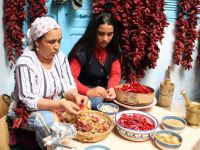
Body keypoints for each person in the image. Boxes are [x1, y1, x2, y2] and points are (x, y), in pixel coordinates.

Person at [9, 16, 88, 149]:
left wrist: (75, 96)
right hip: (26, 111)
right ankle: (49, 146)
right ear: (37, 42)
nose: (57, 47)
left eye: (59, 41)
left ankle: (61, 140)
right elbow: (29, 101)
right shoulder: (25, 63)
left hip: (55, 104)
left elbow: (68, 85)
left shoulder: (60, 57)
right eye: (51, 42)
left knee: (86, 104)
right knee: (46, 120)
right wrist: (60, 104)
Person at [68, 12, 121, 110]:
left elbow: (116, 73)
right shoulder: (81, 51)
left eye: (109, 34)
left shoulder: (112, 49)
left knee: (119, 99)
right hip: (81, 92)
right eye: (101, 34)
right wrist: (88, 91)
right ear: (93, 32)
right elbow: (70, 79)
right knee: (97, 102)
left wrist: (111, 87)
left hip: (102, 91)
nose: (105, 39)